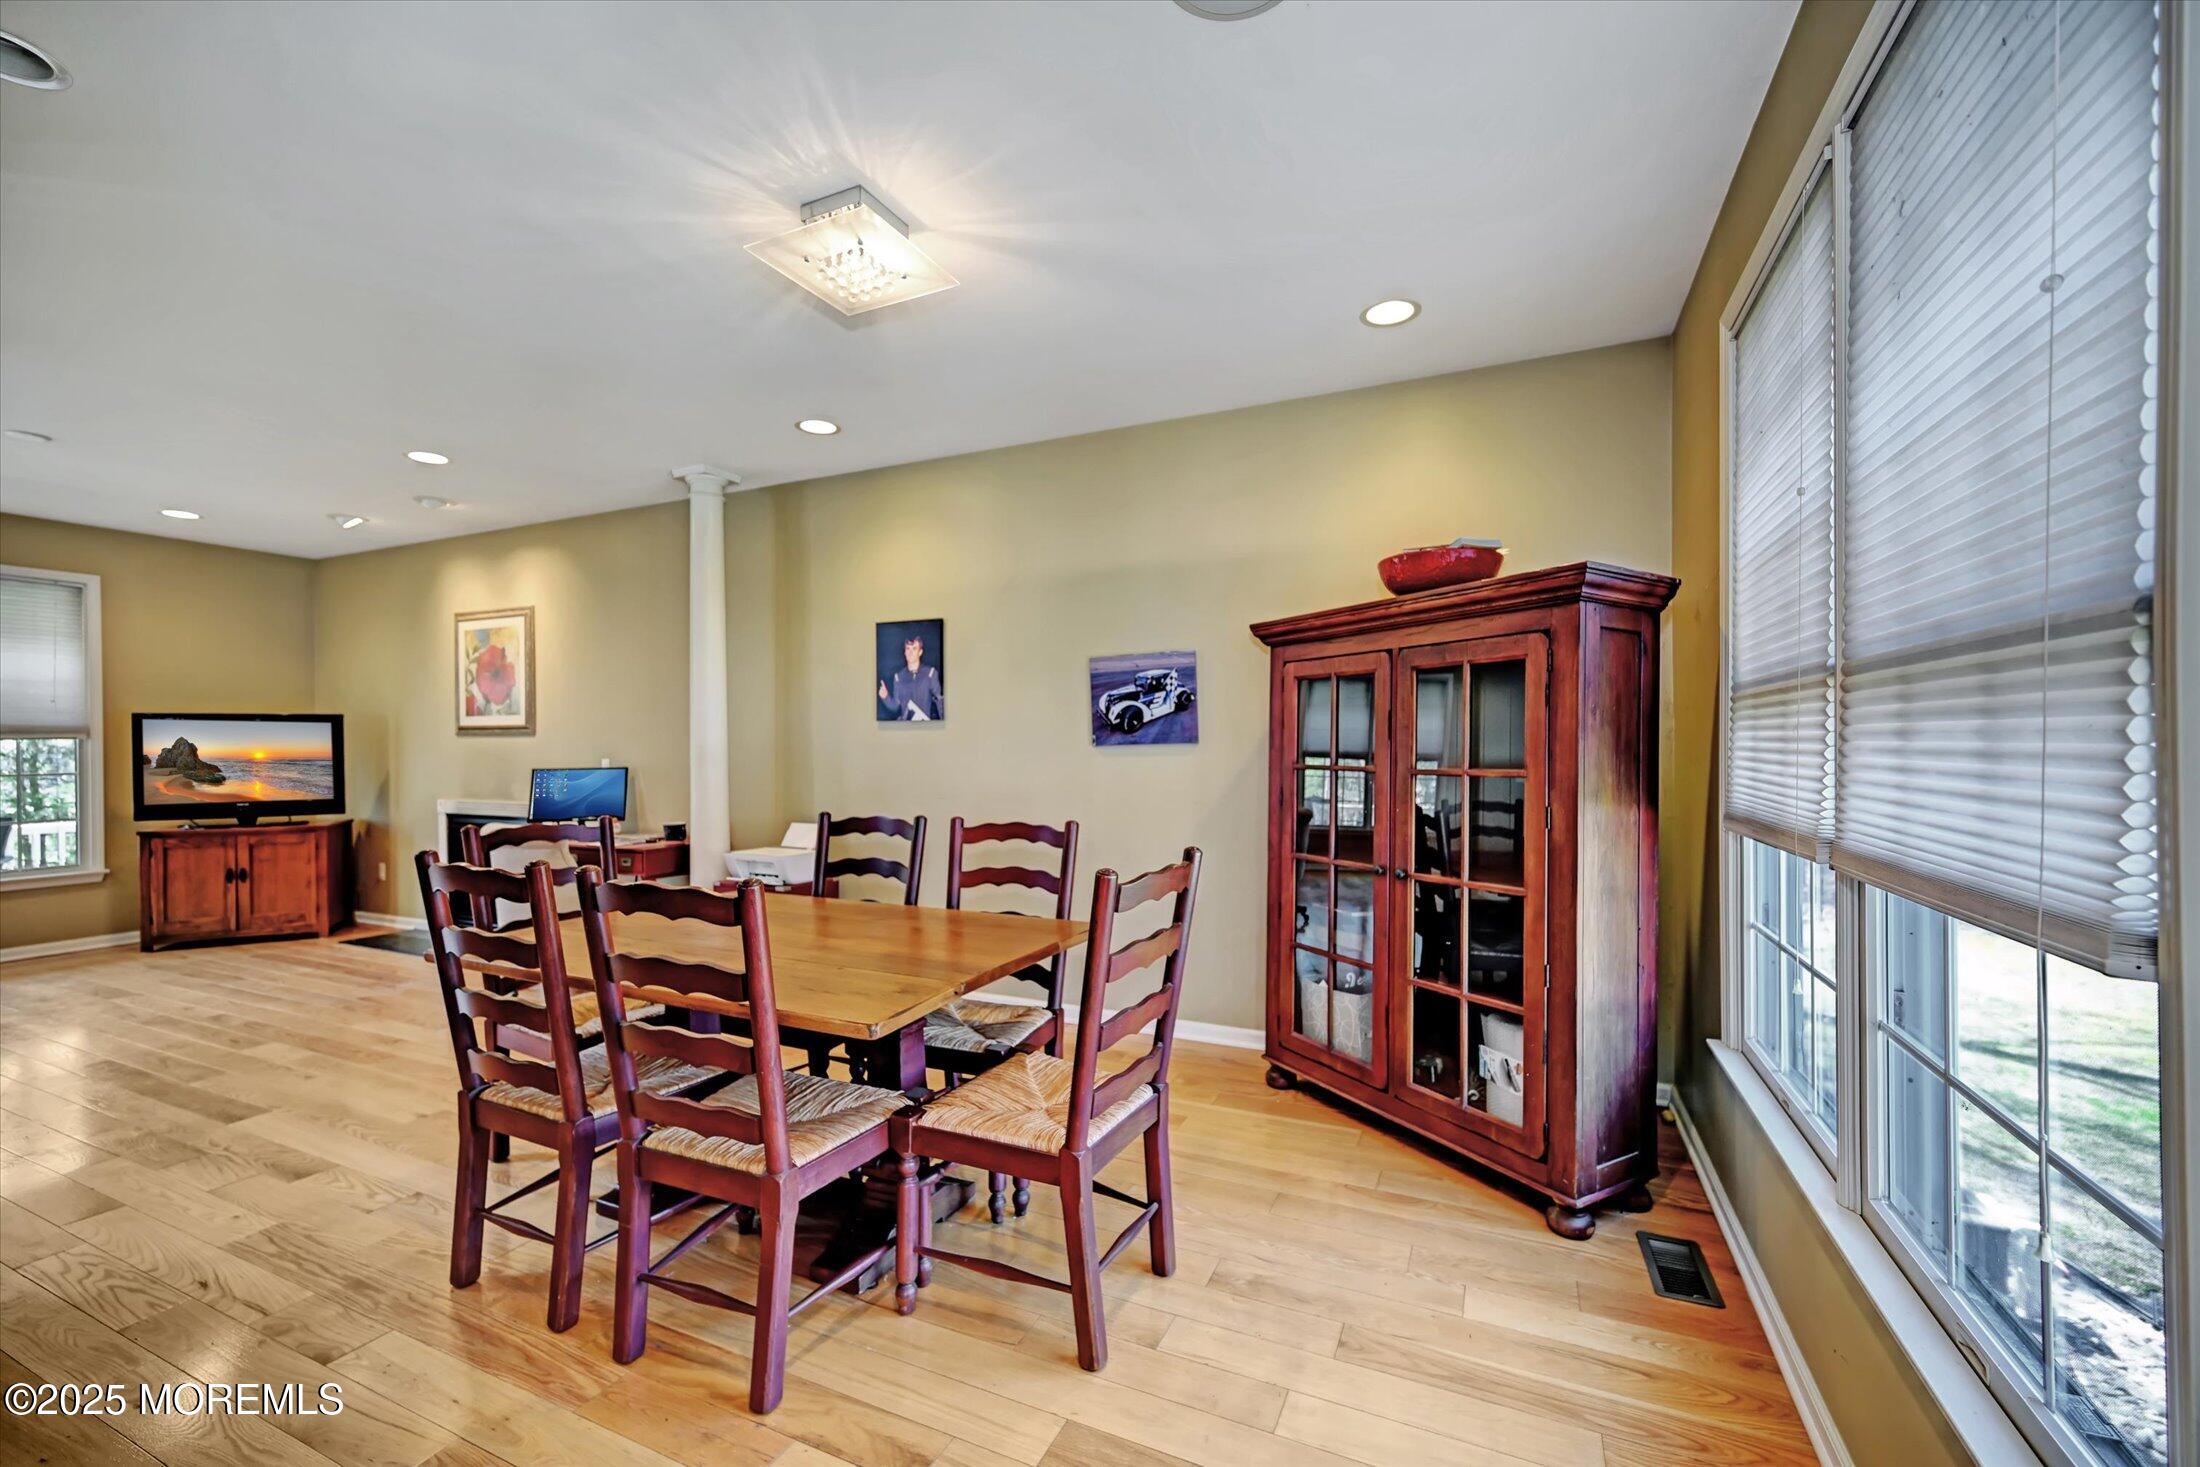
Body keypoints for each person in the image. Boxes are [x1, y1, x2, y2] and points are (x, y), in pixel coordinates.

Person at [878, 632, 943, 721]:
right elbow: (895, 706)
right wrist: (885, 697)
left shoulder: (930, 673)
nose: (910, 652)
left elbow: (940, 703)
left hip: (927, 728)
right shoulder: (898, 677)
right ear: (904, 652)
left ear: (920, 652)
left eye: (914, 649)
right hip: (906, 729)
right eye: (908, 649)